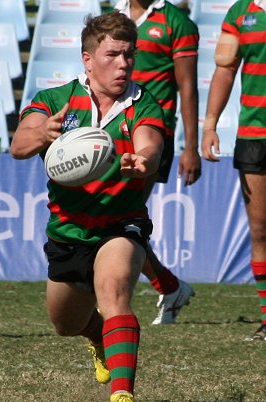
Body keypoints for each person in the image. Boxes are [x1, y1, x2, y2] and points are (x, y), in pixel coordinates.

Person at [11, 11, 166, 402]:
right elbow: (20, 144)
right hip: (68, 229)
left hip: (120, 222)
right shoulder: (55, 100)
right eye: (113, 55)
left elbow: (150, 144)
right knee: (65, 323)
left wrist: (144, 161)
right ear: (87, 58)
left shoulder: (142, 101)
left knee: (114, 291)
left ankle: (123, 393)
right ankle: (98, 336)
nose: (123, 64)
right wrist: (42, 133)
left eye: (129, 55)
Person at [112, 0, 201, 324]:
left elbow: (187, 87)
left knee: (119, 218)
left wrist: (190, 146)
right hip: (108, 129)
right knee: (110, 218)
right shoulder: (113, 16)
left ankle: (114, 296)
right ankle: (169, 285)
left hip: (151, 134)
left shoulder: (177, 22)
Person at [201, 0, 266, 341]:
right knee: (260, 231)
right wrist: (209, 124)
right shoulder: (241, 12)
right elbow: (225, 68)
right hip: (255, 136)